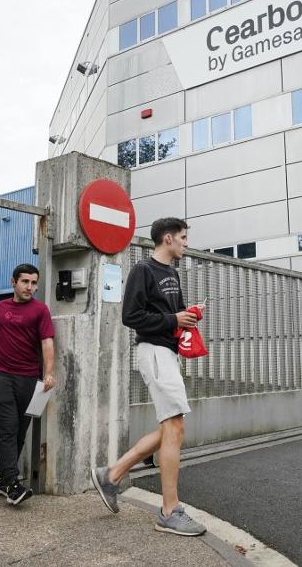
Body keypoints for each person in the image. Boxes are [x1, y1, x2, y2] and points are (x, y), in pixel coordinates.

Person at [91, 217, 207, 537]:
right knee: (174, 425)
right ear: (167, 239)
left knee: (170, 426)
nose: (186, 243)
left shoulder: (172, 272)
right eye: (182, 237)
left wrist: (188, 316)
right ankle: (169, 511)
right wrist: (173, 318)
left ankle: (111, 475)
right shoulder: (144, 270)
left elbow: (175, 316)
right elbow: (131, 316)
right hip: (153, 352)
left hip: (167, 353)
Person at [0, 263, 55, 505]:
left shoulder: (40, 311)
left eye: (34, 283)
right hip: (1, 374)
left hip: (28, 378)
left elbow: (47, 342)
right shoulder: (3, 306)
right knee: (8, 428)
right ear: (13, 282)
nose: (30, 287)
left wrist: (49, 373)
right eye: (25, 281)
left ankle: (3, 481)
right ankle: (13, 486)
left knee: (19, 433)